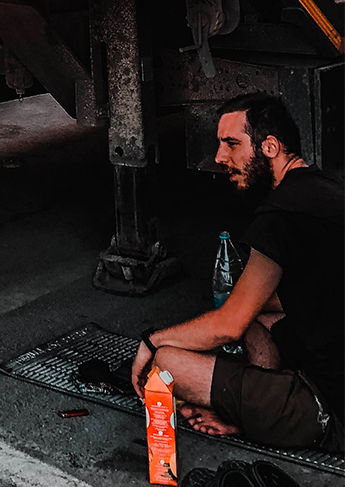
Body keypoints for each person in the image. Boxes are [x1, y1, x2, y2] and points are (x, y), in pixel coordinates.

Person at [131, 92, 343, 452]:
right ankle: (257, 407)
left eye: (232, 144)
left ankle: (264, 414)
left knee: (165, 363)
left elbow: (227, 325)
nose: (219, 157)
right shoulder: (324, 188)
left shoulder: (281, 216)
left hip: (332, 409)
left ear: (270, 147)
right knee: (256, 315)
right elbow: (277, 301)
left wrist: (152, 341)